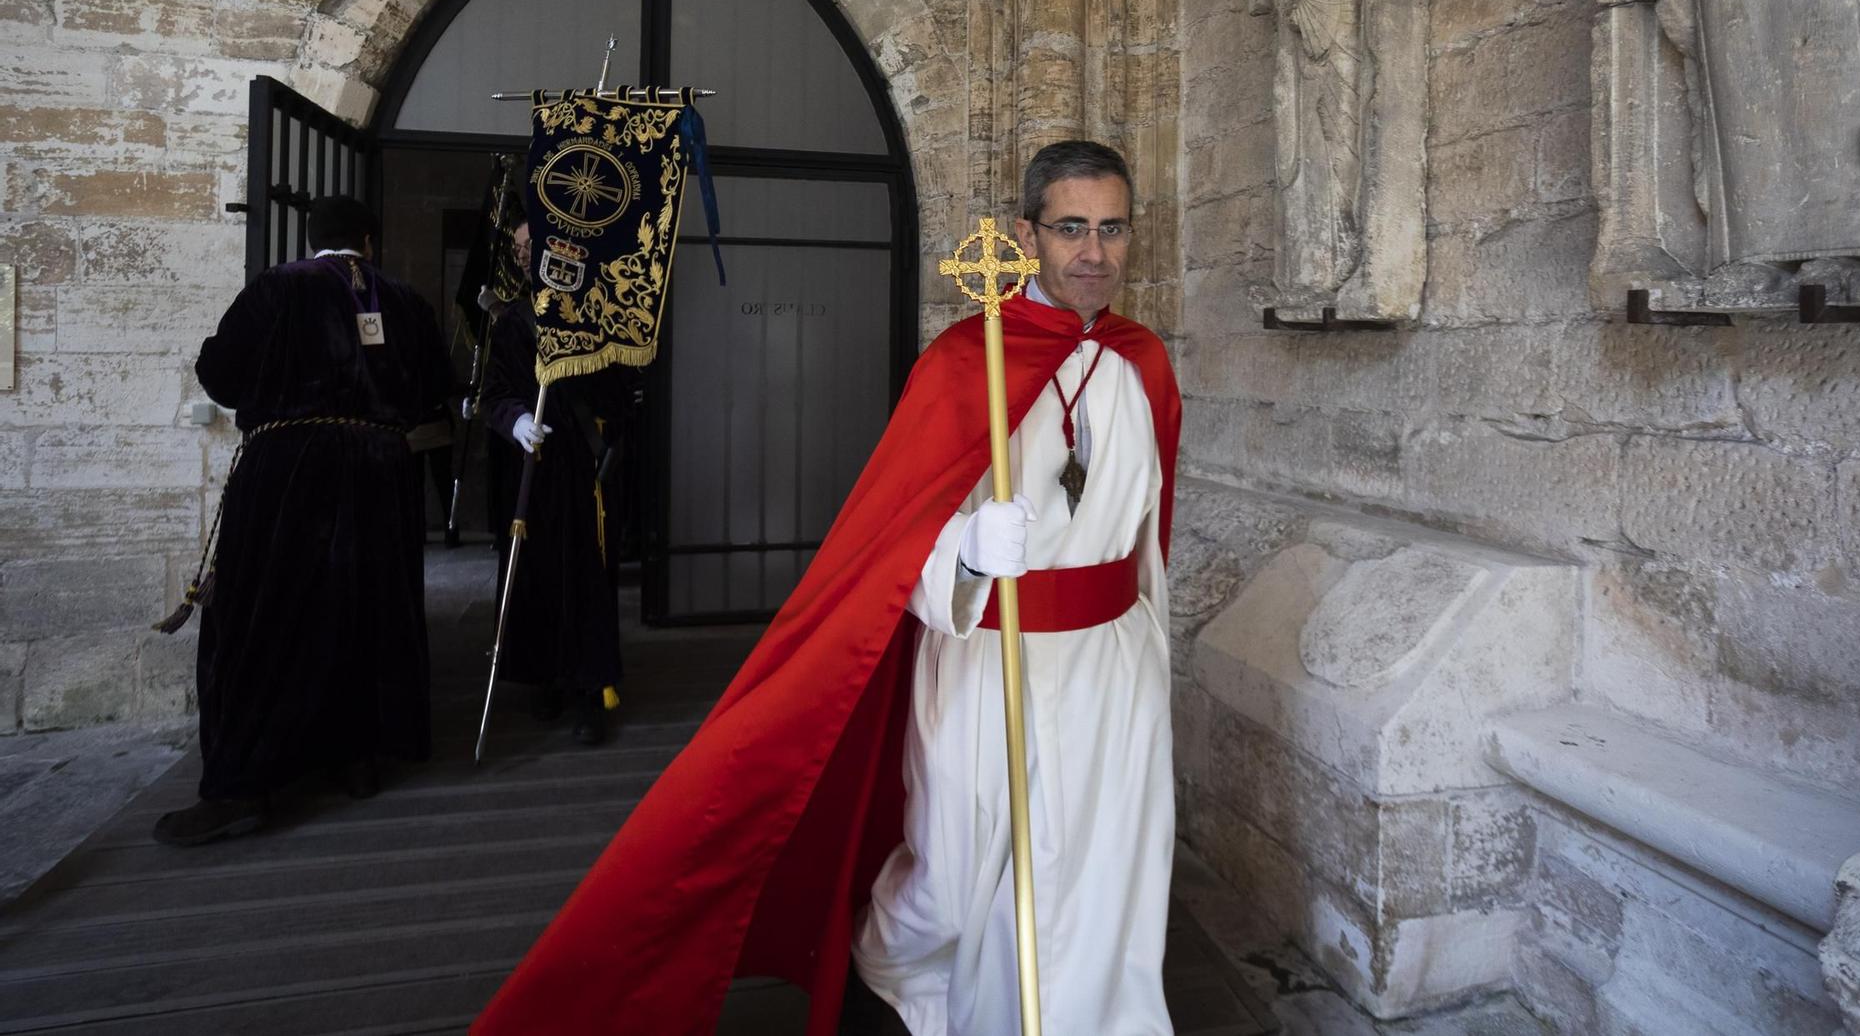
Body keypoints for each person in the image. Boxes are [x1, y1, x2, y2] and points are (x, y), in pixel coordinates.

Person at [473, 141, 1182, 1036]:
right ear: (1025, 235)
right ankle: (915, 992)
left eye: (1111, 228)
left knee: (1110, 863)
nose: (1093, 251)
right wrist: (964, 552)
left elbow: (1148, 532)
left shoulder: (1144, 362)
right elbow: (895, 538)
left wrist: (1150, 652)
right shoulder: (969, 361)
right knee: (957, 878)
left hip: (1114, 673)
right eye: (1071, 227)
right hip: (987, 665)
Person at [155, 196, 453, 845]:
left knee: (263, 617)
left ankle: (240, 785)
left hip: (291, 469)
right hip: (381, 470)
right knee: (364, 611)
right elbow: (436, 387)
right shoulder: (404, 301)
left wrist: (275, 402)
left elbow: (218, 370)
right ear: (368, 243)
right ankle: (359, 761)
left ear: (313, 239)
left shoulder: (277, 287)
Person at [482, 218, 631, 746]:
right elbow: (493, 395)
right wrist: (517, 420)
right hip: (531, 470)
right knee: (535, 575)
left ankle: (593, 689)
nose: (523, 255)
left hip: (584, 472)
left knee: (588, 575)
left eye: (531, 245)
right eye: (519, 247)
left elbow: (623, 392)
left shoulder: (598, 316)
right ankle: (545, 677)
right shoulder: (512, 322)